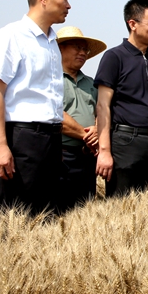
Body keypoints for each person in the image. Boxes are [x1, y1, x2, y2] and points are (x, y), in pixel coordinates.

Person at [0, 0, 71, 216]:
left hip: (52, 140)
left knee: (48, 215)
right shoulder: (11, 36)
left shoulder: (52, 42)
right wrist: (0, 146)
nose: (68, 4)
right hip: (23, 138)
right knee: (16, 214)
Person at [93, 0, 148, 197]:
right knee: (122, 207)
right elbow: (103, 106)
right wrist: (104, 151)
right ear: (133, 24)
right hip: (126, 143)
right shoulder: (114, 57)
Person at [57, 26, 107, 212]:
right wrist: (88, 135)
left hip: (87, 156)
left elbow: (102, 111)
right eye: (77, 47)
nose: (82, 53)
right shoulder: (50, 80)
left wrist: (97, 128)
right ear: (61, 48)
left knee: (85, 208)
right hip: (61, 155)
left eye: (85, 49)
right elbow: (55, 115)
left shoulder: (91, 83)